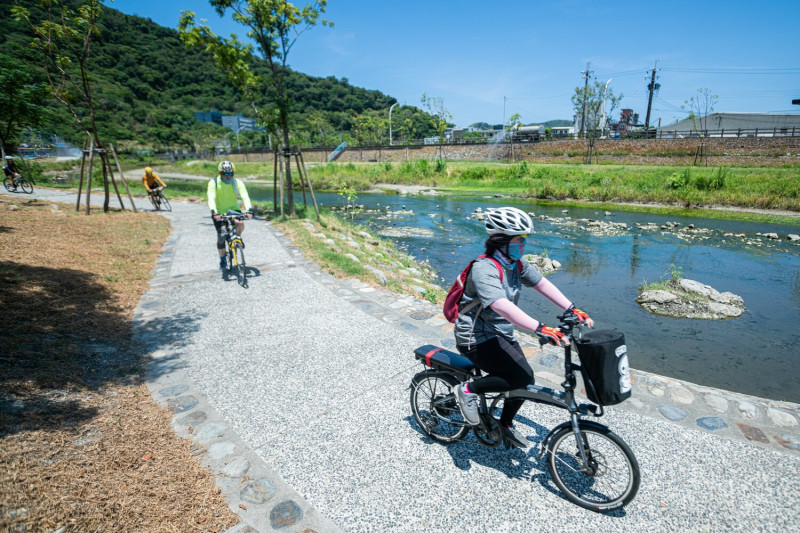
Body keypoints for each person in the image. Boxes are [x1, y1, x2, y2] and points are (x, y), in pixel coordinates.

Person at [452, 206, 593, 449]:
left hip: (500, 334)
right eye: (518, 240)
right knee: (520, 376)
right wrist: (540, 328)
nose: (522, 245)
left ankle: (504, 425)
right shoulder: (484, 268)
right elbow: (501, 306)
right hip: (474, 337)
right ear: (501, 240)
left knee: (523, 379)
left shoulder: (515, 263)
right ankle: (467, 389)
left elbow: (542, 284)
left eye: (523, 240)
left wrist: (571, 308)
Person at [207, 160, 253, 270]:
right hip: (218, 211)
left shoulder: (237, 183)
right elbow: (211, 198)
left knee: (240, 224)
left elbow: (245, 196)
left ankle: (236, 239)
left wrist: (248, 210)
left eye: (230, 174)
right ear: (220, 173)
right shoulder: (214, 183)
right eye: (225, 174)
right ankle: (222, 259)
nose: (228, 176)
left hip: (233, 209)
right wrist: (214, 212)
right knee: (222, 234)